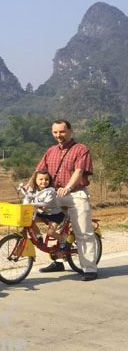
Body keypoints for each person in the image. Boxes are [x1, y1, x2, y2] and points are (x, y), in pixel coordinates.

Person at [35, 119, 98, 281]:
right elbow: (39, 172)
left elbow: (78, 171)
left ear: (71, 131)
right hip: (55, 194)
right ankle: (58, 260)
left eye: (62, 132)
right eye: (55, 132)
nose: (58, 135)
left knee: (83, 231)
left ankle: (89, 268)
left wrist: (68, 187)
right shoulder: (50, 151)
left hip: (75, 194)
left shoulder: (81, 149)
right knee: (49, 223)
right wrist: (29, 188)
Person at [24, 169, 67, 251]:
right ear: (35, 180)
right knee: (28, 220)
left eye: (46, 179)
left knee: (50, 233)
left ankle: (62, 240)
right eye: (40, 179)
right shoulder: (32, 189)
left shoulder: (51, 191)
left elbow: (46, 203)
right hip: (42, 213)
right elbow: (27, 198)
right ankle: (39, 236)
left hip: (54, 215)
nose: (44, 181)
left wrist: (32, 204)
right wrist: (25, 205)